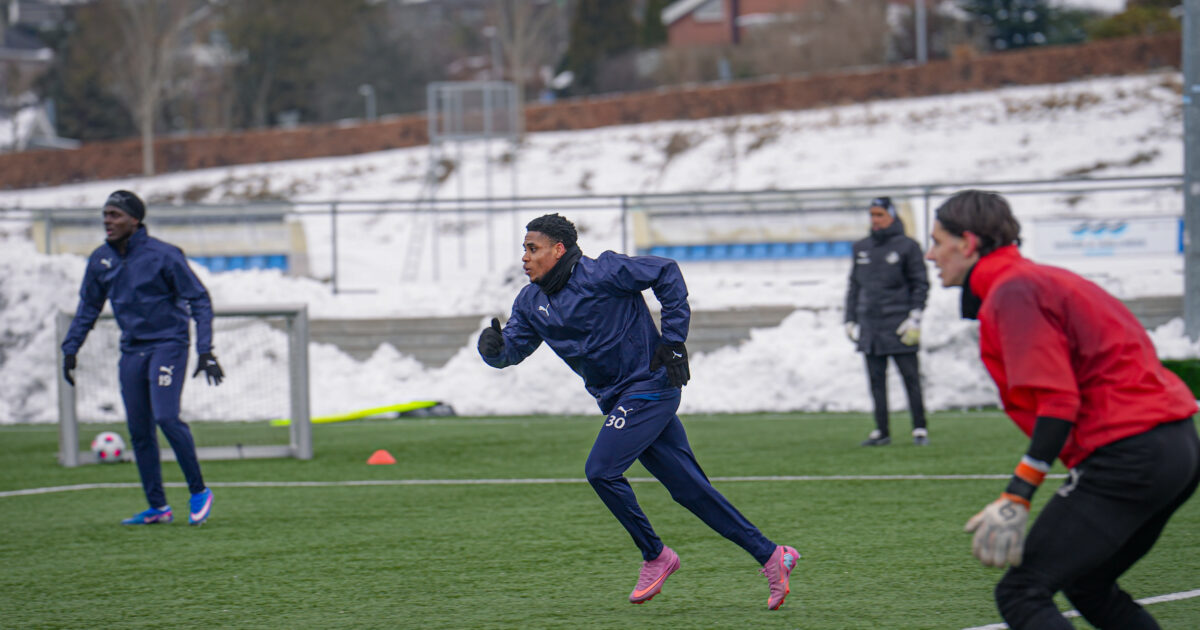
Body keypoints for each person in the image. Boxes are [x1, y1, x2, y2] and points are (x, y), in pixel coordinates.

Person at [477, 213, 799, 609]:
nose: (524, 258)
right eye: (524, 249)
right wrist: (492, 349)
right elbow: (512, 349)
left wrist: (675, 342)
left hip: (651, 388)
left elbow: (667, 272)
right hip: (617, 401)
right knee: (689, 490)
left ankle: (656, 555)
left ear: (558, 250)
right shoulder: (530, 302)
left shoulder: (604, 272)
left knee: (600, 470)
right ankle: (772, 555)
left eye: (532, 249)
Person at [925, 190, 1199, 630]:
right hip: (1174, 444)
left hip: (1131, 451)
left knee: (1021, 592)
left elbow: (1059, 400)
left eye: (937, 241)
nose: (930, 254)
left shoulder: (1012, 291)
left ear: (968, 243)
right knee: (1089, 585)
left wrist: (1019, 491)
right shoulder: (1033, 280)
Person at [61, 190, 225, 527]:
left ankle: (199, 491)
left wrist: (205, 349)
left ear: (135, 219)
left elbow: (200, 299)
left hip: (168, 344)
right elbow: (89, 307)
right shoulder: (100, 260)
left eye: (115, 215)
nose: (108, 221)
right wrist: (71, 347)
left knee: (166, 416)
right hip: (132, 350)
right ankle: (158, 507)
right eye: (105, 214)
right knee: (138, 429)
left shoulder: (164, 256)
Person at [844, 196, 930, 446]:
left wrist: (915, 315)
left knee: (910, 378)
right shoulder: (861, 247)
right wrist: (850, 318)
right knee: (876, 381)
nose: (875, 220)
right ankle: (882, 430)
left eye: (880, 214)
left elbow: (920, 283)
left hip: (899, 323)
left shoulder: (908, 247)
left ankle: (919, 428)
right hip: (870, 325)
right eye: (872, 215)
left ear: (891, 216)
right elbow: (854, 286)